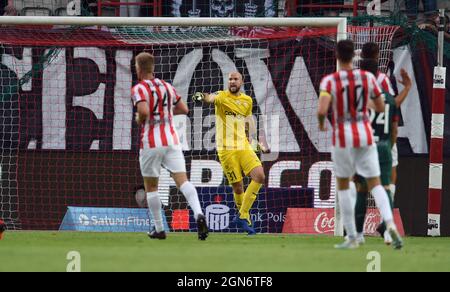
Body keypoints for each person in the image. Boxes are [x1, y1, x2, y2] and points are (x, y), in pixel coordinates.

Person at [318, 39, 403, 249]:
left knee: (344, 186)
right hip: (365, 135)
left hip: (342, 138)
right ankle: (390, 225)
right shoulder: (366, 78)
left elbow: (322, 111)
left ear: (337, 56)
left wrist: (321, 124)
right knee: (376, 184)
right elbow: (382, 107)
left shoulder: (329, 81)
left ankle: (353, 237)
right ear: (354, 56)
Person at [131, 52, 208, 240]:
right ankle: (199, 213)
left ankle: (159, 229)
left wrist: (140, 118)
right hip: (172, 141)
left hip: (151, 142)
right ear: (153, 67)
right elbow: (184, 109)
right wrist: (164, 112)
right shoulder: (167, 86)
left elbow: (142, 111)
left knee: (151, 187)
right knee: (183, 181)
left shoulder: (139, 88)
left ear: (138, 68)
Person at [192, 72, 269, 235]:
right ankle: (245, 218)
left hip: (244, 146)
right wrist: (200, 96)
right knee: (238, 187)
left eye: (236, 79)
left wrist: (257, 140)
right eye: (230, 79)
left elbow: (248, 120)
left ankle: (242, 216)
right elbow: (209, 97)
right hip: (226, 150)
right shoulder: (221, 96)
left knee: (260, 176)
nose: (232, 82)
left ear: (241, 82)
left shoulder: (247, 100)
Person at [353, 58, 411, 246]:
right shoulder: (387, 97)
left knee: (362, 190)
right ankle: (388, 232)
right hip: (384, 148)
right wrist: (387, 146)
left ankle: (358, 234)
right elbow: (394, 129)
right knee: (386, 189)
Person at [361, 42, 412, 210]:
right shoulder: (382, 79)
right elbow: (392, 105)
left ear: (361, 56)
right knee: (390, 173)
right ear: (378, 56)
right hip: (383, 135)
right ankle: (386, 213)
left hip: (362, 136)